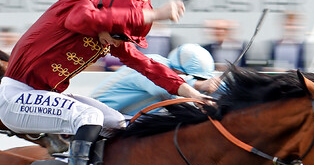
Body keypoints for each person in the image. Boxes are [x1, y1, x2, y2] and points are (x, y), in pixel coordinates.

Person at [0, 0, 208, 165]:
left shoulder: (107, 36)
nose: (117, 44)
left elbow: (148, 66)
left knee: (115, 121)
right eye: (118, 36)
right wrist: (154, 14)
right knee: (89, 117)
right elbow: (89, 18)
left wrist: (193, 93)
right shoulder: (79, 5)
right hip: (14, 97)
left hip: (44, 96)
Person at [91, 43, 221, 116]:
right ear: (179, 71)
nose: (196, 81)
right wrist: (200, 85)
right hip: (98, 116)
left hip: (126, 118)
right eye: (193, 78)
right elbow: (166, 83)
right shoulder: (155, 64)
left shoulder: (174, 71)